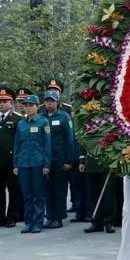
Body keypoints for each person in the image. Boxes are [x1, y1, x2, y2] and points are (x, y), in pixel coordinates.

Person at [13, 94, 51, 234]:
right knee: (27, 195)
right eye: (26, 105)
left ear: (37, 107)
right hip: (23, 164)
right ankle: (28, 222)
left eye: (31, 105)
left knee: (38, 195)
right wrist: (16, 164)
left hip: (38, 163)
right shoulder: (21, 124)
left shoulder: (43, 122)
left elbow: (47, 145)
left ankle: (38, 222)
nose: (28, 108)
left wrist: (47, 165)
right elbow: (17, 145)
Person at [42, 90, 76, 229]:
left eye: (52, 101)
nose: (49, 103)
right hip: (46, 159)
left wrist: (69, 160)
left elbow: (70, 140)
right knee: (47, 189)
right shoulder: (41, 117)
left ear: (57, 103)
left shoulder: (64, 117)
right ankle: (50, 216)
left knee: (59, 189)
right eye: (47, 101)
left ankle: (59, 217)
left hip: (60, 159)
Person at [0, 87, 23, 228]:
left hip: (12, 161)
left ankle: (12, 216)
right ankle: (0, 217)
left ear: (12, 102)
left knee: (14, 190)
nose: (1, 104)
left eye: (5, 101)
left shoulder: (18, 119)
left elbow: (21, 142)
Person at [81, 152, 116, 234]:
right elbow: (83, 144)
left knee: (109, 195)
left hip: (106, 163)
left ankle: (109, 222)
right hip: (91, 163)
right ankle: (96, 222)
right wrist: (82, 161)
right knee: (93, 195)